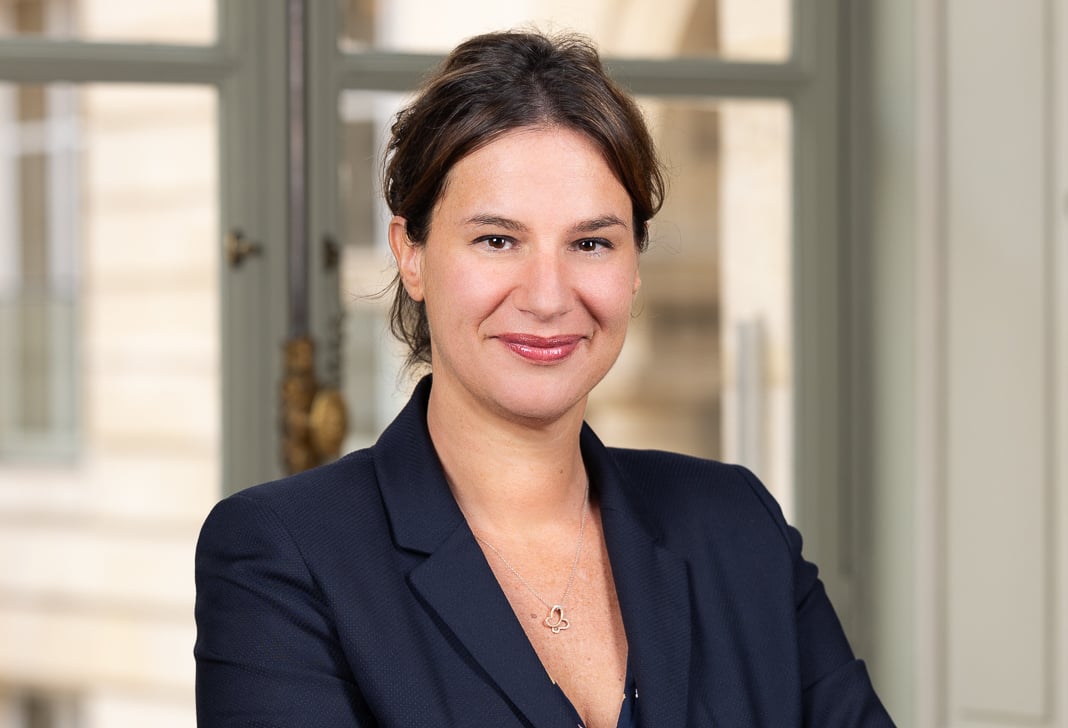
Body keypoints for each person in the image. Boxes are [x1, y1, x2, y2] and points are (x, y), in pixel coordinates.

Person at [194, 30, 895, 728]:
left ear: (635, 263)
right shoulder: (282, 556)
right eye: (497, 240)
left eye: (591, 243)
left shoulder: (737, 525)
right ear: (412, 254)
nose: (549, 296)